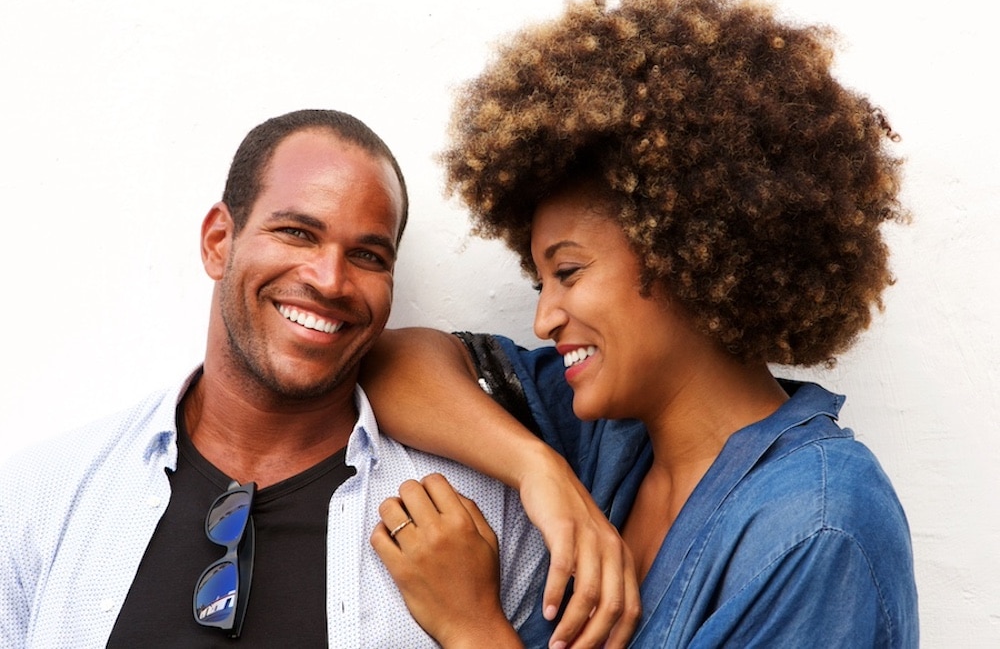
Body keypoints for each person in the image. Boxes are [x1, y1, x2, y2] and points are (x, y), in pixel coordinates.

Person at [362, 0, 919, 646]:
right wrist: (539, 470)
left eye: (567, 272)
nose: (544, 320)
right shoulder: (607, 438)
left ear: (684, 248)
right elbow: (389, 362)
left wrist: (469, 623)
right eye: (541, 282)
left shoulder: (822, 529)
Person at [0, 109, 633, 648]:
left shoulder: (481, 523)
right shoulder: (44, 500)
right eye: (297, 233)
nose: (330, 280)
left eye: (367, 255)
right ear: (220, 241)